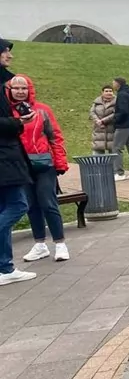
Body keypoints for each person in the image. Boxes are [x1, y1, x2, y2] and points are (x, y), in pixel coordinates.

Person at [5, 76, 69, 263]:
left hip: (43, 163)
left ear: (29, 89)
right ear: (9, 90)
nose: (20, 91)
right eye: (15, 88)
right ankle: (40, 244)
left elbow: (54, 136)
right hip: (20, 166)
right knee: (31, 205)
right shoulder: (7, 112)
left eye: (24, 88)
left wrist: (60, 162)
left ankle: (60, 243)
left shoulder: (42, 110)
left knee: (48, 202)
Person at [0, 40, 35, 286]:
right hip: (4, 158)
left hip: (6, 156)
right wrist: (19, 121)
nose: (9, 56)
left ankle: (5, 267)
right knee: (18, 204)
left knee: (6, 206)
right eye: (5, 51)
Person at [111, 76, 129, 180]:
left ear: (118, 84)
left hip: (123, 126)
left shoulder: (121, 95)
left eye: (113, 83)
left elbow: (123, 111)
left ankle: (119, 173)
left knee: (116, 148)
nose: (112, 85)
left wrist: (115, 119)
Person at [89, 83, 117, 154]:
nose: (108, 93)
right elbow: (92, 112)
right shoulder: (96, 102)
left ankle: (113, 165)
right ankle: (97, 165)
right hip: (98, 130)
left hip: (112, 130)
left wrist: (103, 121)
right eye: (106, 91)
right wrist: (97, 120)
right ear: (102, 92)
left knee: (113, 152)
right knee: (97, 151)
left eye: (110, 91)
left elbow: (116, 114)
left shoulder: (117, 102)